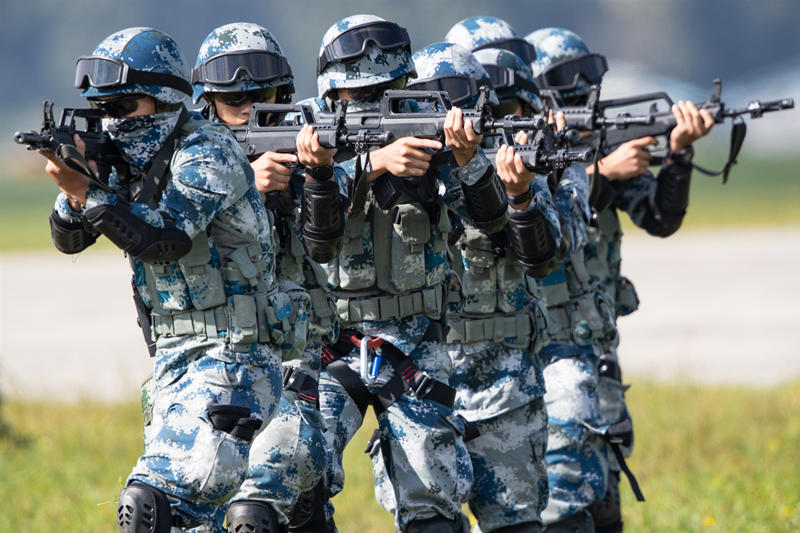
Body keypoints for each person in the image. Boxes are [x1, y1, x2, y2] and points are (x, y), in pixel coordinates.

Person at [38, 27, 290, 532]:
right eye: (105, 109)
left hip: (234, 356)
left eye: (127, 106)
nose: (115, 122)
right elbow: (68, 240)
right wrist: (74, 192)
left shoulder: (208, 149)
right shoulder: (125, 160)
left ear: (168, 100)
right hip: (173, 362)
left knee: (149, 508)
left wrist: (89, 193)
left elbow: (165, 238)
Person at [308, 14, 511, 533]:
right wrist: (369, 164)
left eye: (387, 91)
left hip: (416, 341)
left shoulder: (428, 128)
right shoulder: (311, 141)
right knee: (287, 483)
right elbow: (312, 230)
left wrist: (468, 162)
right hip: (332, 341)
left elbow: (494, 226)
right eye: (359, 95)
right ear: (332, 97)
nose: (373, 103)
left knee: (432, 513)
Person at [527, 27, 714, 532]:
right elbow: (540, 233)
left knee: (605, 501)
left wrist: (678, 155)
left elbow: (660, 218)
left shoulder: (596, 144)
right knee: (553, 502)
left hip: (597, 351)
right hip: (544, 354)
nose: (580, 92)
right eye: (566, 83)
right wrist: (601, 176)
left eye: (586, 80)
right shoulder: (525, 158)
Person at [186, 22, 350, 532]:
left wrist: (317, 176)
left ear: (283, 94)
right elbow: (169, 244)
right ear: (209, 102)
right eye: (232, 97)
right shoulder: (192, 167)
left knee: (281, 513)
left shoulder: (310, 159)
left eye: (260, 95)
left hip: (294, 364)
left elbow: (327, 244)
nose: (247, 106)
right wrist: (241, 188)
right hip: (211, 363)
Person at [407, 41, 559, 533]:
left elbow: (541, 254)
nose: (447, 114)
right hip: (422, 384)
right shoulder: (395, 164)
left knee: (515, 525)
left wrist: (518, 196)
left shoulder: (512, 156)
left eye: (456, 97)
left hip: (503, 386)